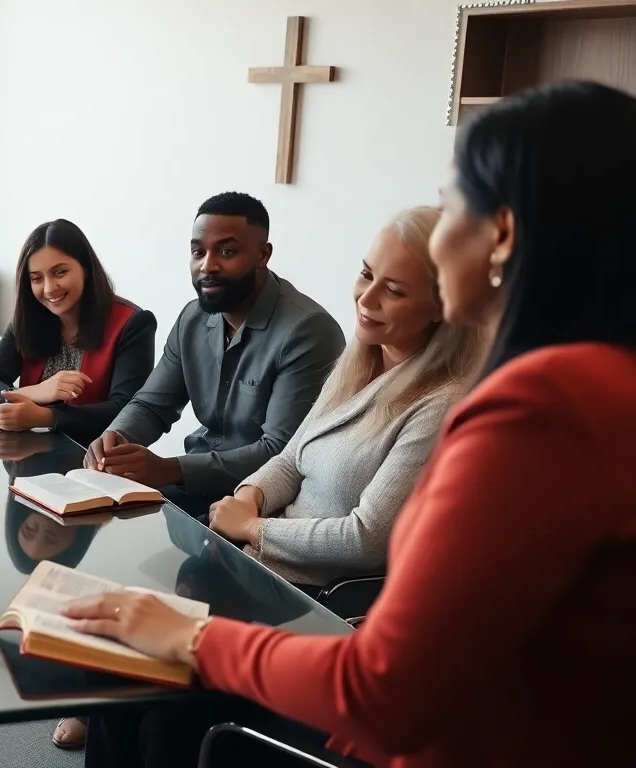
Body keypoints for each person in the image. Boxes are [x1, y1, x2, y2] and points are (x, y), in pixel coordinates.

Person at [65, 81, 636, 768]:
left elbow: (382, 689)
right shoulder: (599, 383)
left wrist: (192, 637)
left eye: (451, 201)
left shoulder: (537, 409)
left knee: (155, 684)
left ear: (503, 232)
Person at [205, 207, 487, 590]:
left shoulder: (439, 406)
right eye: (367, 275)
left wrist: (254, 527)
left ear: (442, 308)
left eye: (394, 290)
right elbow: (292, 460)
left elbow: (366, 539)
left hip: (315, 598)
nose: (366, 298)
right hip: (257, 565)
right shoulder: (360, 359)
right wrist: (248, 495)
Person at [85, 193, 345, 515]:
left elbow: (279, 453)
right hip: (195, 487)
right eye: (198, 252)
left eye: (227, 251)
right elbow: (152, 405)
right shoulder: (192, 319)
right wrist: (115, 437)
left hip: (261, 506)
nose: (207, 265)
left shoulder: (308, 331)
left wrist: (169, 469)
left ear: (262, 255)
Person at [0, 218, 156, 445]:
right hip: (28, 458)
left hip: (97, 462)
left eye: (60, 272)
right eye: (37, 278)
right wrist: (35, 392)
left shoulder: (133, 323)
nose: (49, 288)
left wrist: (46, 417)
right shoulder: (29, 318)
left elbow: (128, 411)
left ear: (85, 268)